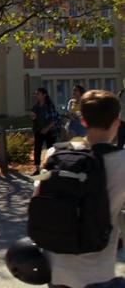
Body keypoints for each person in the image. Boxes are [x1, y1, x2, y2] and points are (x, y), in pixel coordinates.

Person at [37, 90, 125, 288]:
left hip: (57, 268)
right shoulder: (122, 162)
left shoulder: (54, 154)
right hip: (97, 273)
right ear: (117, 122)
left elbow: (38, 197)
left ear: (83, 121)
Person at [30, 87, 59, 174]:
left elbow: (54, 119)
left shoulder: (49, 106)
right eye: (36, 94)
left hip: (49, 130)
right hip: (38, 130)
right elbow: (34, 118)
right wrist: (33, 117)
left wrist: (47, 128)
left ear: (44, 95)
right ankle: (37, 168)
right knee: (37, 149)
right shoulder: (36, 106)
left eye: (38, 94)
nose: (36, 95)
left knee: (50, 148)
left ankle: (51, 167)